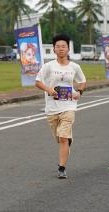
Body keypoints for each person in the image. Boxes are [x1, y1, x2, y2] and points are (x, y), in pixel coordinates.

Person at [35, 34, 86, 179]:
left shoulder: (75, 67)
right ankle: (66, 139)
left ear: (68, 49)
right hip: (51, 108)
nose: (61, 49)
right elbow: (38, 82)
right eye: (58, 46)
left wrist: (79, 92)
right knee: (60, 138)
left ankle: (62, 168)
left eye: (63, 46)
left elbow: (82, 81)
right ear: (54, 49)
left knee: (63, 138)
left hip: (69, 106)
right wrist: (49, 90)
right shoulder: (48, 66)